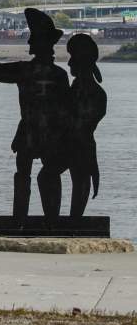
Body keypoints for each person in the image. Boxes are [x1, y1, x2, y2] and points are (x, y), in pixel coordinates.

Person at [0, 8, 70, 226]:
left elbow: (0, 71)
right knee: (38, 174)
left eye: (33, 40)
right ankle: (50, 219)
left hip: (35, 132)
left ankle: (21, 219)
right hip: (46, 133)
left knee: (27, 174)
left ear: (40, 44)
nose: (29, 44)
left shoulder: (28, 71)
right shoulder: (58, 75)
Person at [66, 33, 107, 217]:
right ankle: (66, 221)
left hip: (77, 147)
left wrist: (92, 163)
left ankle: (73, 222)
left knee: (79, 178)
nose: (69, 63)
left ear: (81, 62)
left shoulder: (94, 94)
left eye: (72, 58)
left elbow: (82, 130)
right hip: (77, 146)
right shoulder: (77, 90)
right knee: (47, 176)